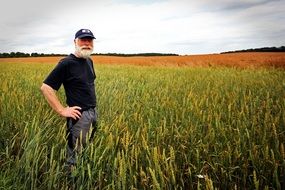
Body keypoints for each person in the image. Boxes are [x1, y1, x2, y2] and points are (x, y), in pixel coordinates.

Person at [40, 29, 98, 166]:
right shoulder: (66, 63)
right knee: (75, 155)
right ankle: (72, 182)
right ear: (75, 42)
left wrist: (93, 111)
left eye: (89, 40)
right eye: (83, 40)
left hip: (93, 113)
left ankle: (83, 176)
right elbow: (46, 87)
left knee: (87, 148)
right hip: (79, 117)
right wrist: (61, 110)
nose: (87, 43)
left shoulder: (89, 61)